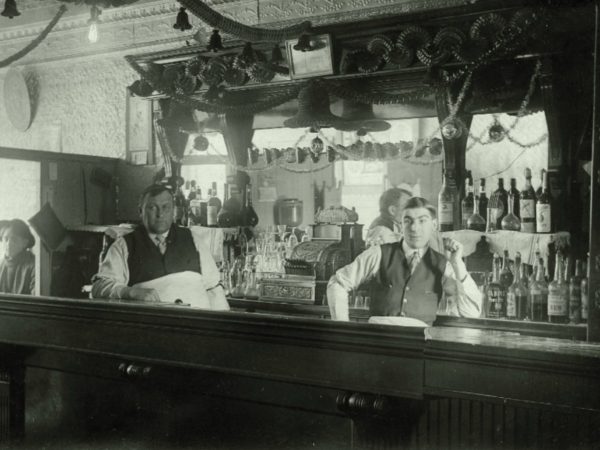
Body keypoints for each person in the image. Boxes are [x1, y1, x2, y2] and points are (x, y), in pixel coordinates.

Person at [327, 197, 482, 325]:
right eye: (408, 221)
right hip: (376, 342)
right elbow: (338, 283)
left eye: (422, 221)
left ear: (433, 225)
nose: (414, 228)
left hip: (420, 347)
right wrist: (342, 328)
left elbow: (471, 313)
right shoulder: (378, 253)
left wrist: (457, 263)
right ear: (400, 226)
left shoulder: (443, 263)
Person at [92, 183, 229, 310]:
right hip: (152, 329)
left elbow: (214, 288)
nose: (160, 214)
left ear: (173, 210)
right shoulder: (124, 246)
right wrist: (130, 292)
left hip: (198, 328)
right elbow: (99, 287)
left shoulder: (193, 239)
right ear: (140, 211)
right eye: (152, 208)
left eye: (166, 207)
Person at [0, 219, 36, 295]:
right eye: (6, 239)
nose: (8, 244)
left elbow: (36, 299)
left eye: (14, 239)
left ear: (25, 243)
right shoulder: (1, 264)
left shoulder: (33, 265)